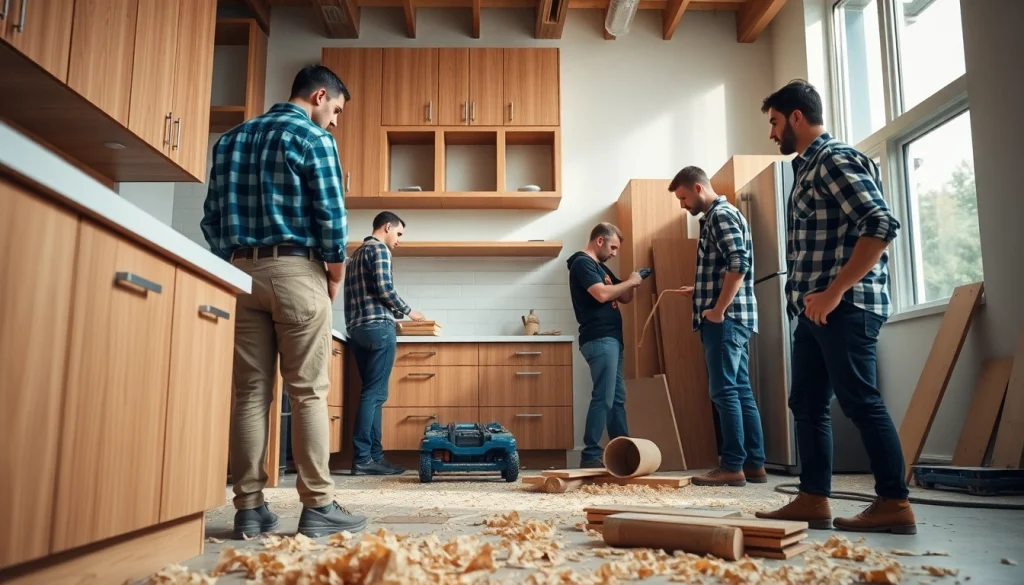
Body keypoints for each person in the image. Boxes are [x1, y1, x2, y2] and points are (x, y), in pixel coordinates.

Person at [201, 64, 366, 539]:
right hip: (297, 270)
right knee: (308, 391)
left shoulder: (230, 141)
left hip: (241, 272)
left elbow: (212, 219)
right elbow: (333, 218)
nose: (334, 121)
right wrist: (334, 276)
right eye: (336, 110)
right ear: (319, 96)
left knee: (250, 394)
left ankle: (249, 509)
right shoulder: (314, 139)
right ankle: (318, 506)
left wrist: (237, 263)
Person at [753, 80, 915, 534]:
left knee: (860, 401)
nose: (772, 133)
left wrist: (835, 291)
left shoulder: (833, 159)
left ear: (796, 117)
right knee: (806, 402)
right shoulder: (808, 168)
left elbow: (880, 223)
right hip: (814, 310)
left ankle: (895, 503)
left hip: (843, 306)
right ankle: (812, 499)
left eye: (775, 122)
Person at [668, 166, 766, 488]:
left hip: (726, 319)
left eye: (683, 197)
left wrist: (718, 309)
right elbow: (726, 267)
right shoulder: (724, 214)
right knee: (740, 390)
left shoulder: (719, 215)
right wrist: (699, 291)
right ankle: (754, 464)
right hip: (738, 317)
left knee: (724, 391)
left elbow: (738, 263)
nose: (682, 204)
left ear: (698, 188)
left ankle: (732, 466)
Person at [344, 211, 426, 475]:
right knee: (375, 394)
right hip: (378, 328)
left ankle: (375, 457)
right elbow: (385, 289)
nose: (399, 240)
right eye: (399, 233)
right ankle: (363, 459)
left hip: (357, 330)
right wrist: (409, 311)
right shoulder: (379, 250)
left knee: (372, 393)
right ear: (387, 227)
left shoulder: (355, 256)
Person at [567, 222, 643, 468]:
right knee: (604, 397)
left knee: (617, 398)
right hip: (599, 339)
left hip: (612, 339)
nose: (614, 253)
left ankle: (623, 454)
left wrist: (634, 280)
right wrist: (629, 282)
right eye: (613, 247)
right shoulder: (582, 263)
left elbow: (624, 296)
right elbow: (601, 294)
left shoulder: (601, 268)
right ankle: (590, 456)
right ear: (599, 240)